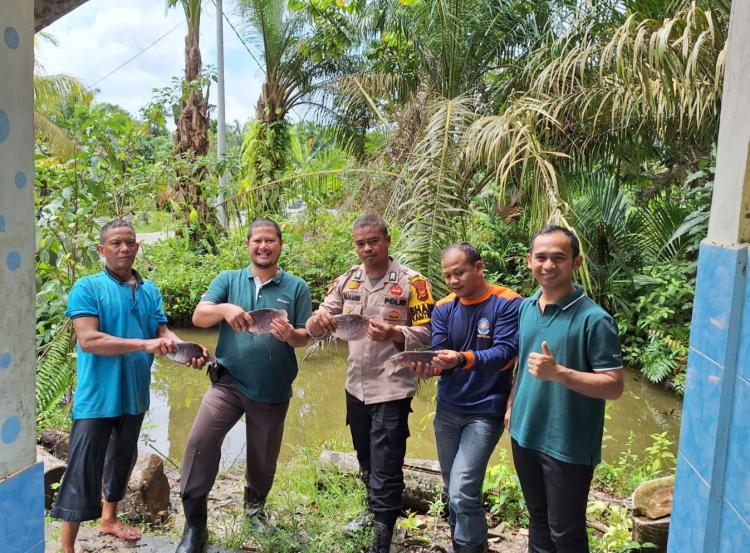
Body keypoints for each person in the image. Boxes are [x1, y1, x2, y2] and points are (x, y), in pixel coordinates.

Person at [51, 219, 199, 553]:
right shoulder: (87, 287)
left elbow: (162, 333)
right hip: (96, 398)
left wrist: (183, 348)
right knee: (82, 468)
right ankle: (67, 547)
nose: (124, 249)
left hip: (134, 394)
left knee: (122, 459)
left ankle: (109, 518)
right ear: (101, 250)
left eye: (130, 242)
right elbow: (89, 340)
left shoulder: (149, 290)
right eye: (115, 243)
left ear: (137, 247)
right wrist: (143, 345)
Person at [176, 218, 312, 553]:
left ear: (280, 244)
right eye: (257, 241)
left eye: (270, 241)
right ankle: (195, 526)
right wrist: (225, 309)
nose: (263, 246)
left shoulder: (297, 288)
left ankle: (254, 512)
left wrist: (291, 335)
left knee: (263, 460)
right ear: (248, 244)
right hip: (228, 382)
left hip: (272, 388)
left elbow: (306, 336)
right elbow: (199, 316)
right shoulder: (228, 279)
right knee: (200, 443)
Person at [306, 214, 435, 553]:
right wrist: (317, 319)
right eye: (360, 243)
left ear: (387, 240)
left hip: (392, 386)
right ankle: (372, 512)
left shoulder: (414, 282)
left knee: (387, 461)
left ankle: (383, 533)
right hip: (355, 386)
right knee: (366, 457)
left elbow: (429, 330)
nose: (366, 248)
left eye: (373, 241)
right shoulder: (347, 280)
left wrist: (395, 332)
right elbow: (320, 319)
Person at [508, 225, 625, 553]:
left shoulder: (594, 320)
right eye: (541, 257)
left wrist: (560, 373)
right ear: (529, 260)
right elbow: (522, 363)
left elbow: (614, 386)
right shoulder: (526, 308)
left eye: (558, 257)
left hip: (567, 445)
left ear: (576, 262)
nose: (548, 265)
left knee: (566, 534)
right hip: (524, 434)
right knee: (538, 522)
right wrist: (511, 407)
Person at [409, 243, 521, 553]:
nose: (453, 281)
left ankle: (471, 548)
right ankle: (464, 544)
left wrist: (461, 359)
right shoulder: (444, 307)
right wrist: (429, 367)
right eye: (447, 276)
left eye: (459, 272)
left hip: (485, 411)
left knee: (462, 490)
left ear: (479, 267)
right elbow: (440, 350)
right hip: (448, 409)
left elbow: (506, 353)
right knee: (452, 487)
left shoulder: (508, 302)